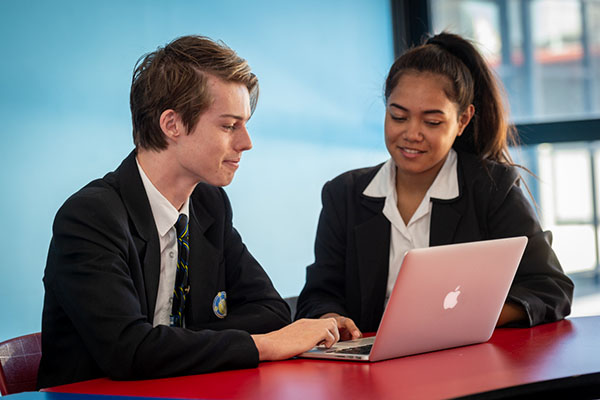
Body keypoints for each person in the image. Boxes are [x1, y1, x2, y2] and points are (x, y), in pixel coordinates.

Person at [37, 35, 340, 389]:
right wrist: (263, 345)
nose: (246, 142)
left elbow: (270, 310)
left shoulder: (209, 204)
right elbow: (128, 351)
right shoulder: (89, 217)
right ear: (172, 124)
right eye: (229, 126)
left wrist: (169, 342)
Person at [295, 32, 574, 338]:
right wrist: (332, 318)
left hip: (464, 362)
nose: (412, 134)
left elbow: (551, 289)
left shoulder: (492, 189)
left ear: (463, 121)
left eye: (431, 122)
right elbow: (318, 294)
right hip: (371, 367)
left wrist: (471, 318)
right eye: (398, 116)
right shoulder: (344, 194)